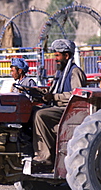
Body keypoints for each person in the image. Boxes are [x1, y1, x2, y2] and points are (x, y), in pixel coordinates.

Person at [33, 39, 86, 167]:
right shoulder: (60, 73)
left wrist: (54, 97)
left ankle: (45, 157)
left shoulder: (74, 72)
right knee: (33, 110)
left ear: (66, 56)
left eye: (57, 55)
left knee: (40, 115)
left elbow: (77, 95)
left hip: (69, 111)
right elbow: (53, 90)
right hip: (59, 107)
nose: (55, 58)